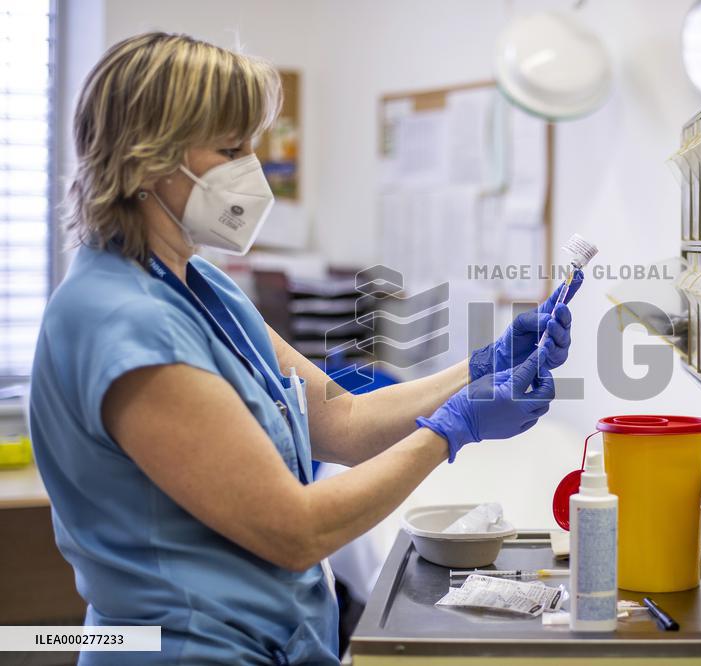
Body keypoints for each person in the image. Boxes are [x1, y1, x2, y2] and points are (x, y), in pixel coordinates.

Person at [28, 32, 580, 665]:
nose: (253, 170)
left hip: (269, 642)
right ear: (147, 159)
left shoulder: (198, 282)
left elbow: (339, 422)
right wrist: (450, 432)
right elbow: (297, 530)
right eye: (231, 148)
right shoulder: (118, 322)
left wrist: (480, 367)